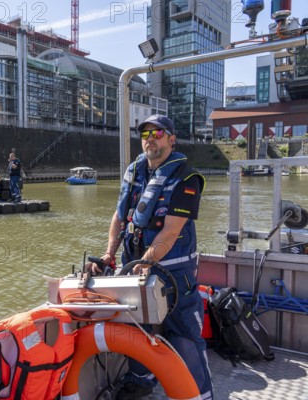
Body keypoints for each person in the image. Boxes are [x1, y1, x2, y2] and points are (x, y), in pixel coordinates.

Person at [91, 114, 212, 400]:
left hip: (174, 274)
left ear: (172, 139)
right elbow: (120, 217)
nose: (150, 139)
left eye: (158, 133)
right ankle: (142, 381)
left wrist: (145, 262)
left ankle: (200, 394)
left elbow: (170, 233)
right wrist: (109, 255)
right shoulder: (134, 173)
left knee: (183, 336)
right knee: (135, 328)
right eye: (145, 135)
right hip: (134, 270)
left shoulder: (186, 178)